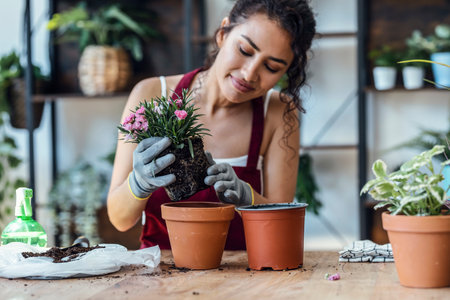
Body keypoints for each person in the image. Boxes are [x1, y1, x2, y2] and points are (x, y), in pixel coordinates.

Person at [107, 0, 316, 250]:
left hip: (244, 278)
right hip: (160, 275)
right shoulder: (153, 94)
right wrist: (137, 184)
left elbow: (281, 228)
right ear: (222, 33)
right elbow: (120, 219)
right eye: (245, 51)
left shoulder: (278, 112)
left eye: (271, 67)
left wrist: (248, 199)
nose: (250, 74)